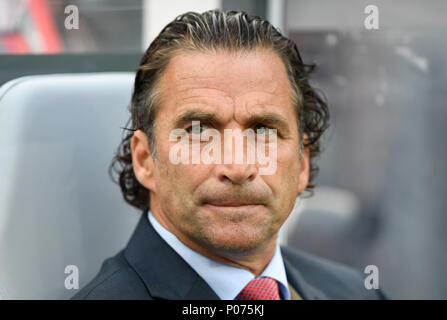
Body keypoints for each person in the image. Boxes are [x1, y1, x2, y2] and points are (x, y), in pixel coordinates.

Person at [72, 10, 387, 300]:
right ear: (145, 160)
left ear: (302, 163)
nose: (238, 167)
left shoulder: (358, 293)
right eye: (198, 130)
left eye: (263, 130)